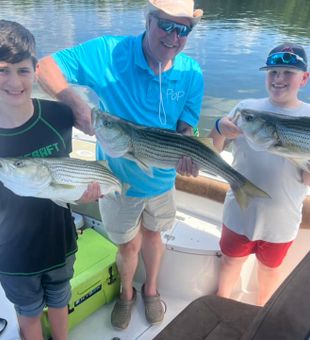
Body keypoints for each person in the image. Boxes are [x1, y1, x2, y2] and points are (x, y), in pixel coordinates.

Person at [37, 0, 204, 330]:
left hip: (161, 182)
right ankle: (126, 293)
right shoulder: (108, 53)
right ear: (147, 19)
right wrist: (75, 103)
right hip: (115, 180)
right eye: (166, 24)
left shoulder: (192, 73)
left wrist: (190, 152)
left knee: (154, 236)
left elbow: (186, 129)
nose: (174, 36)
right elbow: (44, 67)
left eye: (183, 28)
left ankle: (150, 288)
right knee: (127, 244)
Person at [0, 20, 101, 340]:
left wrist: (83, 194)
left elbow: (66, 173)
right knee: (27, 313)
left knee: (60, 301)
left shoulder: (59, 116)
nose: (14, 81)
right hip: (11, 254)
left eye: (23, 70)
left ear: (35, 70)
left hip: (60, 240)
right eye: (2, 70)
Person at [209, 42, 310, 306]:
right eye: (272, 72)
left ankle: (262, 310)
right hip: (238, 213)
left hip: (282, 220)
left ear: (304, 78)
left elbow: (307, 178)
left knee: (269, 269)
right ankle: (221, 304)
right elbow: (214, 150)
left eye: (288, 72)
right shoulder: (246, 109)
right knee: (231, 261)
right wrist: (219, 127)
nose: (278, 78)